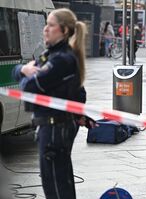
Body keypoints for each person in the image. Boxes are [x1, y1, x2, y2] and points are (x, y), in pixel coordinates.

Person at [12, 8, 87, 198]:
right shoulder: (51, 55)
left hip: (55, 128)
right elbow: (18, 72)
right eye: (46, 24)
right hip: (52, 126)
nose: (46, 29)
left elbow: (28, 88)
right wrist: (24, 69)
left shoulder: (61, 59)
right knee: (56, 183)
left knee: (56, 186)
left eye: (51, 25)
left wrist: (26, 73)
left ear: (63, 30)